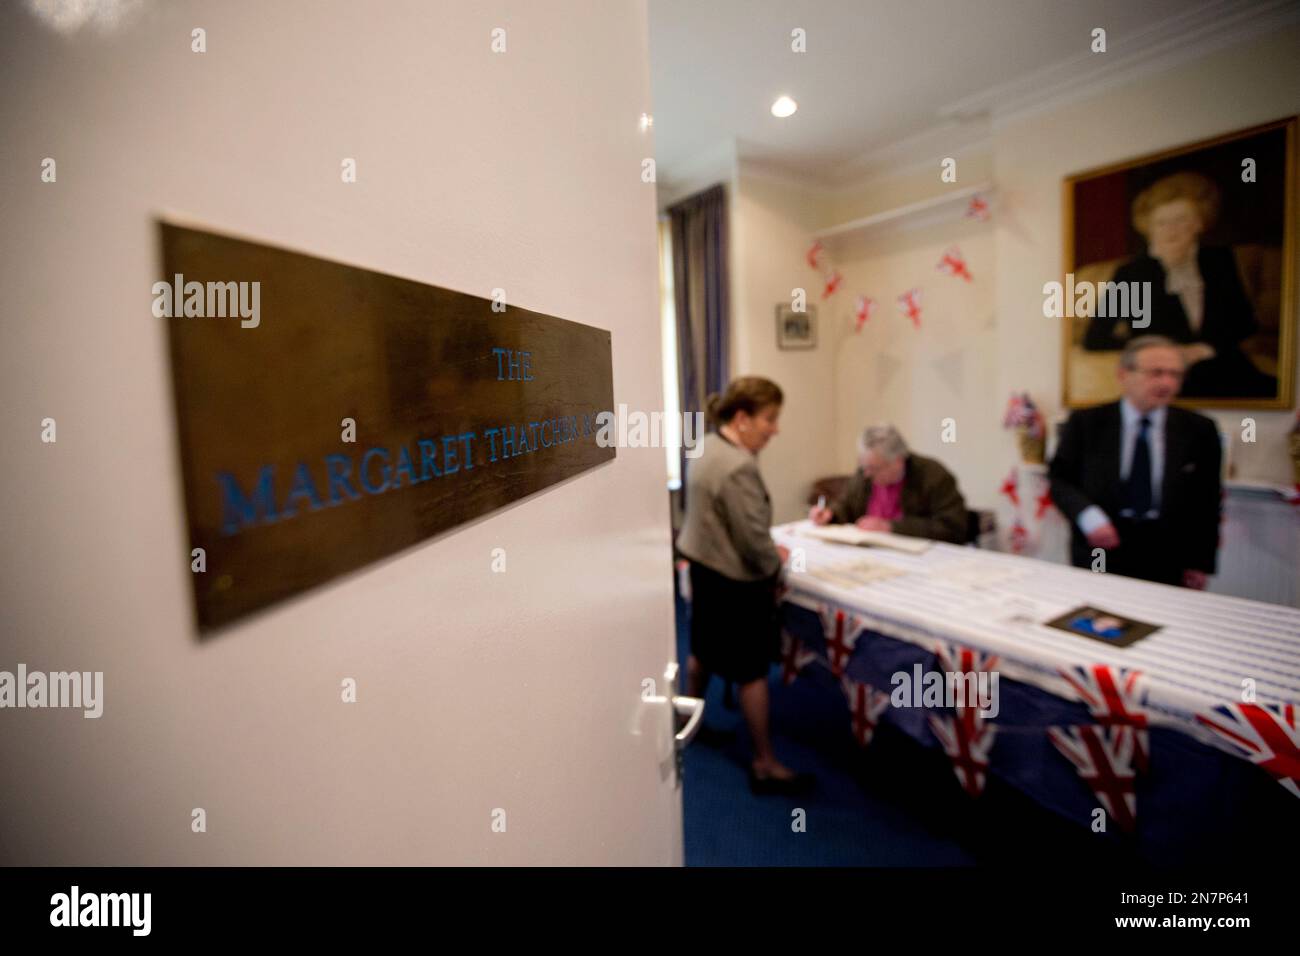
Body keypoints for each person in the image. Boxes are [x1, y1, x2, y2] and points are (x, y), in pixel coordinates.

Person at [676, 376, 812, 796]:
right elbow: (754, 542)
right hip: (736, 581)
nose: (775, 429)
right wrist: (777, 563)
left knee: (702, 650)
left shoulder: (706, 446)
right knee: (752, 670)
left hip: (703, 567)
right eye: (769, 419)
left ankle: (686, 725)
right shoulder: (737, 466)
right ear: (742, 418)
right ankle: (765, 762)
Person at [1082, 171, 1275, 399]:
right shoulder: (1132, 273)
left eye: (1181, 220)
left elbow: (1245, 323)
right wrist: (1157, 350)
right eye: (1161, 223)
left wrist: (1206, 348)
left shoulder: (1220, 261)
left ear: (1199, 223)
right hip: (1166, 376)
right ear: (1149, 229)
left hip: (1225, 366)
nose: (1171, 230)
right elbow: (1095, 339)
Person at [1050, 335, 1222, 588]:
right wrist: (1087, 516)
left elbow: (1207, 500)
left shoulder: (1200, 430)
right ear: (1123, 375)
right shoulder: (1086, 423)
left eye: (1175, 375)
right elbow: (1059, 480)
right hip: (1101, 546)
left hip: (1167, 552)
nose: (1167, 383)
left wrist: (1200, 562)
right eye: (1156, 373)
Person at [808, 424, 968, 544]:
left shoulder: (933, 476)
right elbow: (846, 505)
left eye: (874, 468)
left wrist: (890, 527)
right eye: (864, 467)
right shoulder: (866, 474)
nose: (866, 474)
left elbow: (953, 528)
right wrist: (830, 514)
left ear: (898, 461)